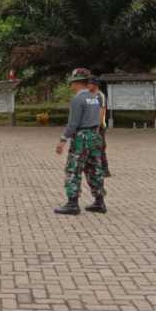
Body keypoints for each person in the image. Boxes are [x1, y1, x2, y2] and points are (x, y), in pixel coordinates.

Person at [55, 68, 106, 215]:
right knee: (95, 169)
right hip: (95, 136)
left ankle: (72, 203)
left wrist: (63, 139)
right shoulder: (95, 96)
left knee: (73, 169)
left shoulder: (78, 99)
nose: (70, 85)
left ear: (76, 82)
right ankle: (99, 201)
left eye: (72, 82)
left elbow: (73, 123)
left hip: (81, 137)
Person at [87, 76, 111, 176]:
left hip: (99, 126)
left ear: (95, 85)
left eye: (90, 84)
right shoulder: (88, 95)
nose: (88, 85)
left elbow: (102, 110)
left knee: (100, 147)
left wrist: (98, 125)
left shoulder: (100, 95)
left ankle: (105, 170)